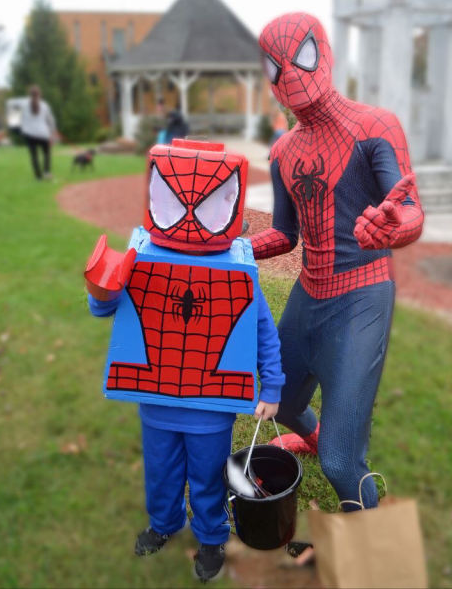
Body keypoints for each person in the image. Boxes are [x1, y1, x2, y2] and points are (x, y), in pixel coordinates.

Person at [85, 139, 285, 582]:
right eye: (177, 203)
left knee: (208, 475)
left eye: (208, 205)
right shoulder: (142, 256)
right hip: (155, 399)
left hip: (210, 407)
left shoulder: (237, 270)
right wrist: (103, 288)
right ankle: (165, 523)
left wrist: (271, 387)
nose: (191, 216)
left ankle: (211, 536)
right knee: (161, 470)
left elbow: (261, 333)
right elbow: (106, 308)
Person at [250, 13, 424, 511]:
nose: (289, 75)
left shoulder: (374, 126)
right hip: (310, 292)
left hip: (362, 294)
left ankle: (375, 555)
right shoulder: (283, 151)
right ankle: (316, 434)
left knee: (342, 463)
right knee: (279, 399)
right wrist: (234, 247)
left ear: (323, 53)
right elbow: (284, 235)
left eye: (299, 56)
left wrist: (395, 226)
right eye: (274, 66)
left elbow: (406, 207)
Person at [20, 86, 56, 180]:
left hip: (29, 133)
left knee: (34, 156)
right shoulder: (44, 105)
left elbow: (22, 119)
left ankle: (38, 176)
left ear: (29, 94)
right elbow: (50, 119)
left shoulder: (24, 105)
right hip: (42, 133)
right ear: (39, 94)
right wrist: (52, 130)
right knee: (46, 153)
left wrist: (23, 130)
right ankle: (46, 172)